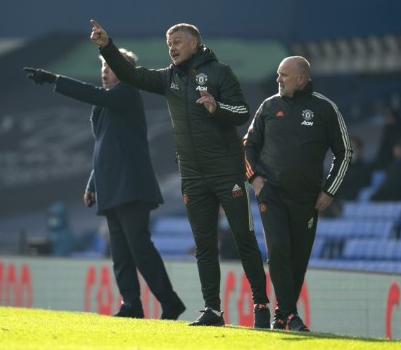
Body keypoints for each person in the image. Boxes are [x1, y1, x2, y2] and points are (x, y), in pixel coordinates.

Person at [88, 20, 270, 328]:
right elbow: (131, 74)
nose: (171, 48)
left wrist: (217, 107)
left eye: (177, 42)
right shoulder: (168, 78)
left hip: (226, 172)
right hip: (193, 176)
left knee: (243, 238)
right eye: (168, 43)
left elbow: (242, 113)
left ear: (195, 44)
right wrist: (108, 46)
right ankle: (213, 309)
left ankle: (261, 305)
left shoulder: (219, 72)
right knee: (204, 245)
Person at [23, 48, 186, 320]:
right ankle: (131, 305)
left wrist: (55, 80)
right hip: (112, 185)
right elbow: (104, 145)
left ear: (123, 71)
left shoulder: (127, 92)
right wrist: (93, 182)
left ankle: (169, 303)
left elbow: (94, 95)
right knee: (120, 252)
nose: (104, 71)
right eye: (103, 66)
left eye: (110, 66)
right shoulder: (107, 101)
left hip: (131, 185)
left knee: (139, 247)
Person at [244, 56, 352, 331]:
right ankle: (290, 314)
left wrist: (329, 191)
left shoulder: (325, 109)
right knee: (278, 248)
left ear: (301, 79)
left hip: (307, 198)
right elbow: (247, 146)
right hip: (272, 194)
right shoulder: (269, 105)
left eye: (284, 75)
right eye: (278, 74)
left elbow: (345, 152)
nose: (278, 79)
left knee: (298, 257)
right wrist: (254, 179)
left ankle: (281, 316)